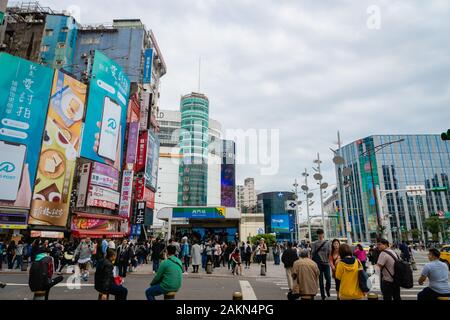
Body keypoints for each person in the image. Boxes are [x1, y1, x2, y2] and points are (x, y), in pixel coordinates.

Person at [311, 229, 331, 300]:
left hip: (326, 263)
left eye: (321, 234)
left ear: (323, 234)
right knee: (320, 280)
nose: (320, 235)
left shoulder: (327, 243)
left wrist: (329, 261)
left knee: (328, 278)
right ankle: (323, 295)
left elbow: (329, 252)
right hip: (318, 263)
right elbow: (312, 254)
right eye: (319, 234)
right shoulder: (314, 243)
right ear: (317, 235)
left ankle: (327, 289)